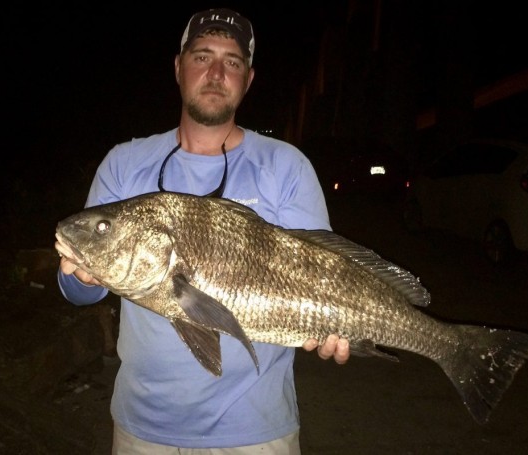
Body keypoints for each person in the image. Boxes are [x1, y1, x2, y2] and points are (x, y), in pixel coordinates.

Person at [56, 7, 350, 454]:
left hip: (256, 430)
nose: (215, 72)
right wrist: (76, 276)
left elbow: (326, 270)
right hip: (143, 428)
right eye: (202, 56)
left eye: (232, 61)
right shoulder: (124, 163)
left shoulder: (285, 165)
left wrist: (339, 327)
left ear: (248, 79)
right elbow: (84, 292)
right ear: (178, 67)